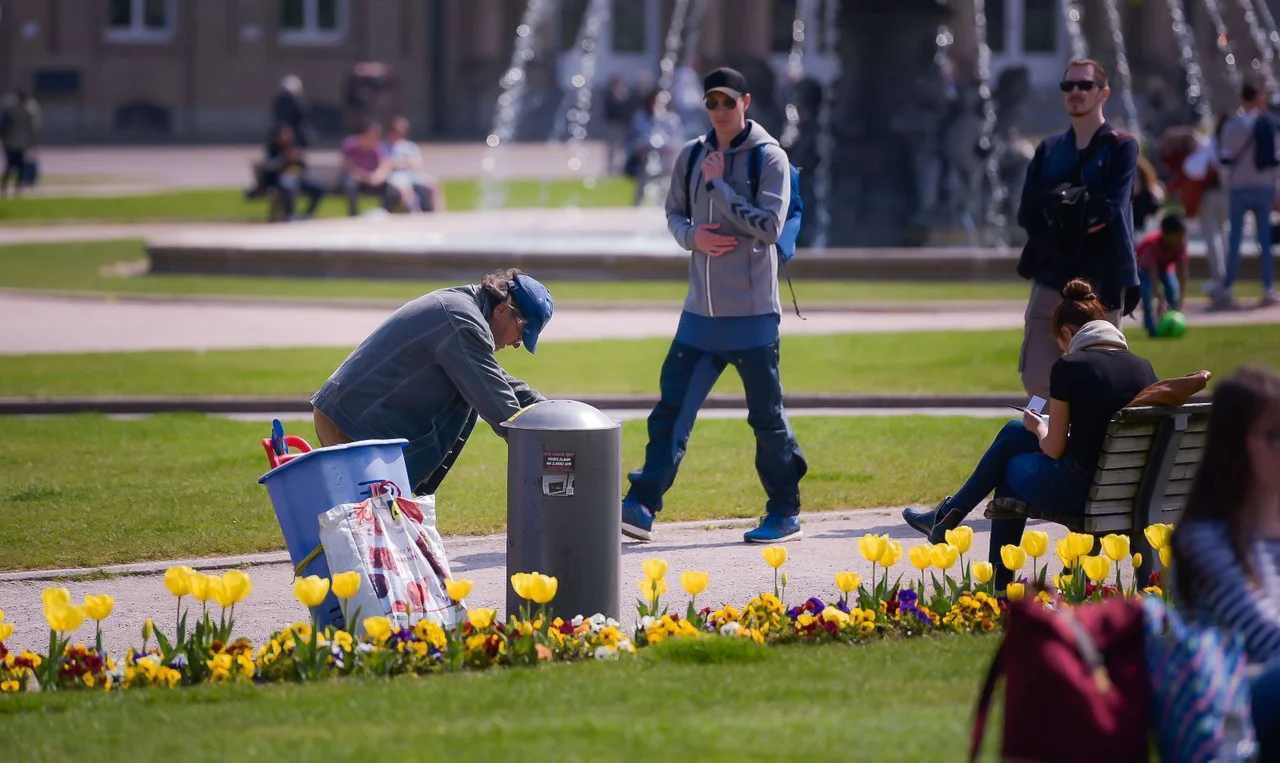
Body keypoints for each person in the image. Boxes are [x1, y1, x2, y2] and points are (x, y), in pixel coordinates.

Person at [620, 67, 807, 544]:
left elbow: (769, 226)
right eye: (711, 103)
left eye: (728, 101)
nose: (720, 111)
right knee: (671, 414)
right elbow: (674, 215)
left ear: (745, 101)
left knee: (767, 420)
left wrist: (721, 189)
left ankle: (784, 512)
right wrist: (692, 237)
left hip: (753, 320)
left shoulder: (770, 159)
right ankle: (641, 504)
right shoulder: (692, 154)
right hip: (698, 318)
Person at [902, 279, 1157, 590]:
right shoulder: (1143, 369)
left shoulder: (1070, 366)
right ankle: (947, 519)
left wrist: (1038, 426)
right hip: (1130, 490)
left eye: (1060, 341)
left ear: (1067, 332)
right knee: (1012, 434)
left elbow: (1053, 448)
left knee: (1008, 464)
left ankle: (992, 574)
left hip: (1081, 491)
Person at [311, 269, 553, 496]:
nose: (517, 344)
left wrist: (554, 412)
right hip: (353, 423)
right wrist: (548, 450)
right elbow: (499, 404)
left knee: (374, 525)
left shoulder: (464, 313)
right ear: (502, 310)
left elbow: (492, 377)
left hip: (354, 417)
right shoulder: (462, 322)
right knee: (368, 526)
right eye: (522, 333)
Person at [1171, 366, 1280, 759]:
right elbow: (1263, 637)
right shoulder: (1205, 538)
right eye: (1272, 437)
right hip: (1225, 711)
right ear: (1234, 445)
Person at [1016, 59, 1140, 401]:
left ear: (1103, 93)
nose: (1075, 93)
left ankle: (1089, 449)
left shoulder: (1121, 146)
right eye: (1068, 86)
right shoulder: (1049, 149)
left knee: (1101, 376)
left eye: (1084, 86)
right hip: (1053, 274)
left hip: (1101, 279)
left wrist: (1129, 277)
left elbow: (1114, 211)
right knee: (1038, 375)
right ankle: (1049, 445)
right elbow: (1027, 212)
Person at [1219, 81, 1280, 308]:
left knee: (1234, 240)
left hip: (1238, 187)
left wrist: (1227, 188)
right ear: (1258, 98)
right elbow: (1276, 161)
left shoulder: (1232, 126)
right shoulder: (1268, 124)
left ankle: (1227, 288)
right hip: (1263, 187)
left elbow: (1224, 161)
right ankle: (1268, 288)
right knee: (1264, 240)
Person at [1182, 114, 1232, 307]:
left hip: (1210, 196)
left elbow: (1192, 168)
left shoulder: (1211, 144)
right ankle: (1227, 278)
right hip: (1228, 195)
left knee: (1213, 239)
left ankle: (1219, 279)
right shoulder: (1232, 143)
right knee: (1225, 236)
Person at [626, 89, 684, 206]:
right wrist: (639, 147)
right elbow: (634, 135)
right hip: (647, 154)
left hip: (666, 155)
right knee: (644, 181)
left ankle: (662, 206)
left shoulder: (672, 118)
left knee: (664, 183)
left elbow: (677, 139)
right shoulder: (642, 116)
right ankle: (638, 206)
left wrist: (672, 152)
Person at [1136, 213, 1189, 337]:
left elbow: (1182, 272)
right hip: (1145, 269)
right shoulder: (1152, 244)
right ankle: (1151, 328)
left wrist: (1181, 296)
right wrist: (1160, 298)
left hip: (1164, 268)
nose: (1181, 238)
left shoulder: (1180, 244)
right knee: (1147, 293)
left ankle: (1170, 322)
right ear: (1166, 234)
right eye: (1178, 235)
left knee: (1172, 290)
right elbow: (1152, 273)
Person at [260, 123, 324, 221]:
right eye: (283, 134)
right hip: (278, 180)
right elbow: (268, 167)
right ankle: (289, 215)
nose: (285, 137)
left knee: (318, 188)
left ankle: (307, 215)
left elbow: (303, 167)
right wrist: (284, 159)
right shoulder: (273, 149)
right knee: (288, 185)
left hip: (297, 178)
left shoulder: (293, 147)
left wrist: (298, 160)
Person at [383, 116, 443, 213]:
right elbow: (387, 164)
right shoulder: (384, 146)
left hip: (411, 173)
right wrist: (405, 163)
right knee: (405, 188)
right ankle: (414, 212)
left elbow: (418, 164)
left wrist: (400, 163)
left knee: (433, 184)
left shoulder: (409, 146)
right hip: (394, 175)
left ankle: (439, 213)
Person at [338, 121, 395, 216]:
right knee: (350, 184)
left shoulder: (378, 147)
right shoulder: (349, 145)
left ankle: (385, 213)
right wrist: (365, 176)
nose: (375, 138)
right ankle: (354, 215)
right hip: (358, 179)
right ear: (362, 135)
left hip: (373, 179)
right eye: (372, 135)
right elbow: (348, 166)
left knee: (391, 189)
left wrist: (377, 177)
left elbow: (385, 164)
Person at [0, 87, 41, 199]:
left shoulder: (27, 108)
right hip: (14, 142)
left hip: (19, 143)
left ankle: (15, 189)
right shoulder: (23, 108)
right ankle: (11, 189)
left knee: (17, 167)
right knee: (12, 166)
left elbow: (32, 127)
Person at [272, 75, 314, 148]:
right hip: (293, 128)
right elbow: (303, 112)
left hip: (290, 127)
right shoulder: (295, 99)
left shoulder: (279, 99)